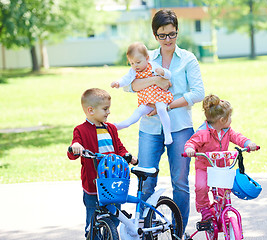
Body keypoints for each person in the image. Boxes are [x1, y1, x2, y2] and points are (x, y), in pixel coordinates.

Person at [123, 9, 205, 233]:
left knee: (180, 183)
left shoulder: (187, 58)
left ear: (177, 32)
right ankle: (144, 232)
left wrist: (168, 105)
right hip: (149, 129)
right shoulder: (146, 57)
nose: (168, 40)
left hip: (179, 128)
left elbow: (198, 93)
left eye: (172, 34)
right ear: (155, 35)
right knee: (146, 181)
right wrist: (157, 81)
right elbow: (130, 85)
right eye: (162, 35)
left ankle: (178, 232)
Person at [67, 88, 137, 237]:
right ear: (90, 110)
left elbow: (119, 147)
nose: (109, 112)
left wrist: (127, 156)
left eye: (109, 108)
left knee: (114, 218)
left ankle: (110, 235)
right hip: (94, 186)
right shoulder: (81, 130)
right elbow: (73, 150)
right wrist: (76, 147)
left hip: (113, 183)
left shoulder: (110, 128)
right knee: (94, 222)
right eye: (105, 109)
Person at [184, 94, 258, 221]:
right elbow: (191, 143)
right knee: (201, 187)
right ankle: (204, 209)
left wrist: (248, 144)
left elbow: (237, 137)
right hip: (204, 167)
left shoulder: (227, 130)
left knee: (224, 189)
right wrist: (190, 149)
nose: (231, 120)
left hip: (222, 166)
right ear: (222, 120)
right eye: (230, 117)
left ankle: (222, 211)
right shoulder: (202, 132)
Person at [111, 42, 174, 145]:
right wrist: (118, 83)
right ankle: (121, 125)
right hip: (146, 100)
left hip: (160, 97)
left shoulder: (153, 66)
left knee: (161, 109)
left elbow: (168, 75)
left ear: (147, 58)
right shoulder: (133, 72)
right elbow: (126, 79)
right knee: (137, 113)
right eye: (132, 63)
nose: (135, 66)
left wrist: (163, 72)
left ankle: (168, 135)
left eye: (138, 62)